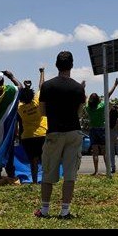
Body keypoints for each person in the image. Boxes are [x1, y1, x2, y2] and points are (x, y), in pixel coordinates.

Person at [34, 51, 86, 219]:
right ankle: (65, 211)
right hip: (73, 132)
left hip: (54, 132)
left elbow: (42, 111)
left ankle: (45, 210)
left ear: (56, 65)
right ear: (71, 65)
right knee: (70, 173)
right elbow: (79, 113)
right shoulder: (79, 88)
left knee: (48, 172)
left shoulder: (47, 86)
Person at [17, 67, 48, 184]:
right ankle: (46, 180)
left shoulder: (20, 107)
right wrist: (42, 72)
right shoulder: (37, 101)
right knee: (44, 159)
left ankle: (34, 181)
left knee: (33, 160)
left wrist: (26, 88)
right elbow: (42, 86)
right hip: (42, 134)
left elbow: (24, 95)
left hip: (27, 137)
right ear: (32, 94)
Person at [84, 78, 118, 176]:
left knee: (95, 152)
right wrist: (114, 86)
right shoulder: (101, 106)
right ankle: (108, 171)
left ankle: (95, 171)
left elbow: (86, 97)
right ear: (98, 99)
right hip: (102, 130)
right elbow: (108, 95)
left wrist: (83, 88)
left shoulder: (88, 108)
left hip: (93, 130)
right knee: (104, 152)